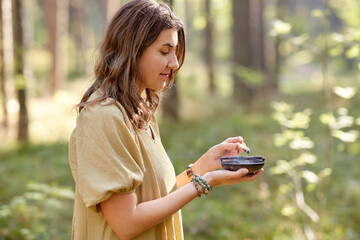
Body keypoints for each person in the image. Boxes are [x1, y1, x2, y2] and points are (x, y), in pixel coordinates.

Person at [68, 0, 263, 239]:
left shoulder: (138, 110)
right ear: (133, 48)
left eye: (175, 51)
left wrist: (203, 167)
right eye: (164, 51)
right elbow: (126, 223)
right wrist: (206, 182)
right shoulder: (104, 117)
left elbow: (157, 198)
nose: (175, 62)